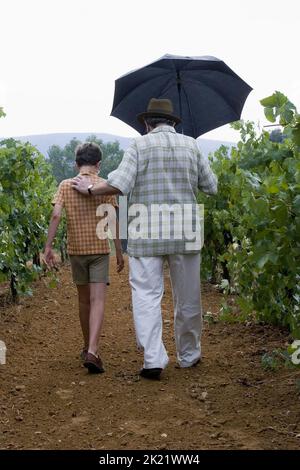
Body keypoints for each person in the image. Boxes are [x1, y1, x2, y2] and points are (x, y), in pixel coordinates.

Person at [72, 99, 217, 380]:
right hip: (185, 229)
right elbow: (211, 186)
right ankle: (189, 355)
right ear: (173, 122)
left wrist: (90, 190)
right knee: (188, 298)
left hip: (144, 228)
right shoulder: (192, 145)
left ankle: (153, 358)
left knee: (146, 296)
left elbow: (118, 184)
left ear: (147, 123)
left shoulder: (138, 146)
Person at [44, 142, 124, 374]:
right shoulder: (105, 186)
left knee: (83, 301)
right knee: (98, 301)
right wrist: (118, 250)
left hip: (76, 251)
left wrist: (48, 246)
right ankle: (93, 350)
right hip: (99, 251)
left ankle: (86, 346)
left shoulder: (65, 185)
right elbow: (112, 220)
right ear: (99, 164)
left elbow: (56, 214)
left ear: (76, 163)